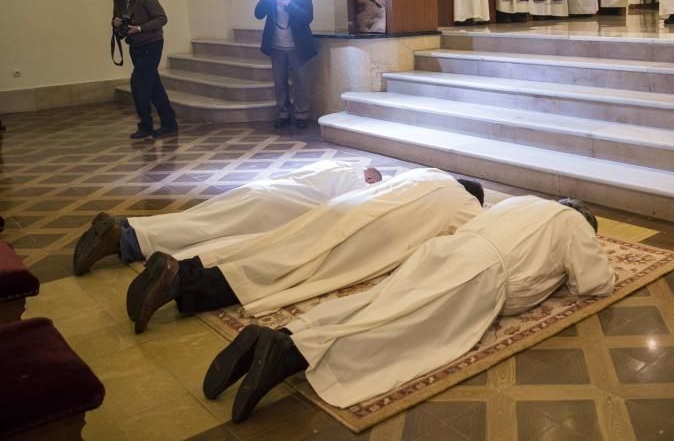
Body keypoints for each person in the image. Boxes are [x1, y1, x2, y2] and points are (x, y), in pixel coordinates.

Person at [202, 196, 615, 422]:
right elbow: (595, 283)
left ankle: (286, 334)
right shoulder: (572, 223)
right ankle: (288, 355)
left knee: (375, 302)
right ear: (585, 218)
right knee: (399, 329)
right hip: (482, 273)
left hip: (444, 251)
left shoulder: (522, 202)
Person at [125, 169, 485, 334]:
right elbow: (453, 246)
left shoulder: (429, 174)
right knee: (283, 271)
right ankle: (182, 282)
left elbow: (379, 178)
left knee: (276, 247)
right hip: (370, 236)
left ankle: (182, 268)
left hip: (349, 207)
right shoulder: (468, 207)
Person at [72, 160, 382, 276]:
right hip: (273, 205)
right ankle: (124, 238)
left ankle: (127, 225)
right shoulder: (357, 182)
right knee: (206, 227)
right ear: (370, 179)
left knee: (199, 218)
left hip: (264, 190)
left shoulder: (341, 164)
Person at [111, 0, 177, 140]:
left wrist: (139, 28)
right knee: (154, 86)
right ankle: (169, 123)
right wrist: (116, 22)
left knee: (138, 83)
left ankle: (146, 126)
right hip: (135, 45)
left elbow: (162, 18)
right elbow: (118, 18)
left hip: (152, 43)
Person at [254, 0, 316, 129]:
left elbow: (308, 17)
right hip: (276, 45)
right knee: (279, 83)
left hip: (297, 46)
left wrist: (289, 4)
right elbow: (258, 14)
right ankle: (283, 114)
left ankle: (302, 115)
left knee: (300, 82)